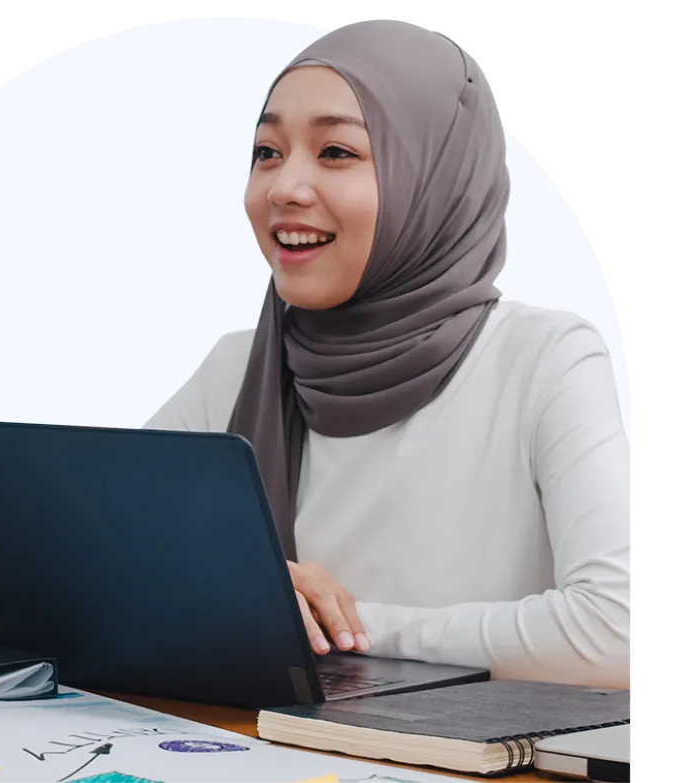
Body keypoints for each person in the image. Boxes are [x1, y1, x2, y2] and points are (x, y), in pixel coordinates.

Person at [143, 21, 631, 689]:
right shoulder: (240, 369)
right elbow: (34, 583)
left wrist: (337, 623)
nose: (285, 186)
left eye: (337, 151)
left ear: (435, 176)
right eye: (267, 150)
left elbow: (618, 632)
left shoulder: (544, 361)